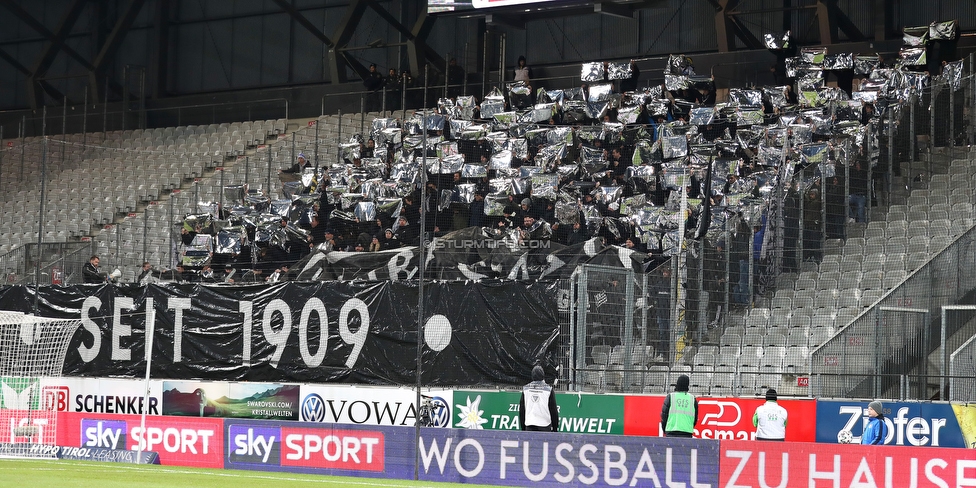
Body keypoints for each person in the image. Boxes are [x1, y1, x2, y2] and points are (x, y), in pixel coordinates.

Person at [518, 365, 559, 432]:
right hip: (545, 425)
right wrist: (555, 428)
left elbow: (522, 410)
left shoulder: (525, 389)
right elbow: (553, 410)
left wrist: (523, 427)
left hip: (529, 425)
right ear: (543, 375)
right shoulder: (548, 389)